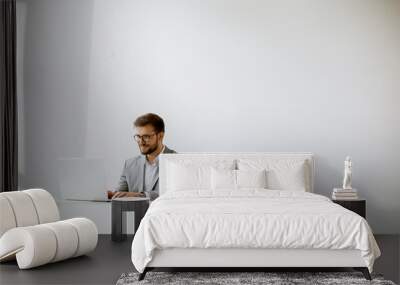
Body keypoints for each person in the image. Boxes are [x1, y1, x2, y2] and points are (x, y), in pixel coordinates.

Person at [111, 113, 176, 200]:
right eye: (138, 136)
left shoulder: (177, 161)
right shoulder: (130, 164)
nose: (141, 142)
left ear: (160, 136)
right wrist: (111, 195)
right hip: (136, 213)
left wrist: (140, 196)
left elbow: (174, 193)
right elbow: (120, 194)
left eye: (146, 136)